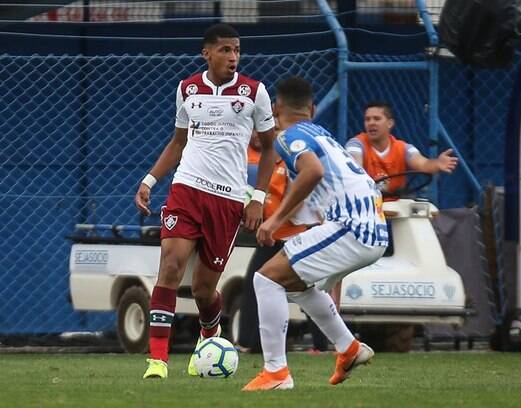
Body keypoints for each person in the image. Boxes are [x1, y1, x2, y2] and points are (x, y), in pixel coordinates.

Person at [134, 23, 276, 379]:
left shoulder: (254, 92)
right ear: (207, 53)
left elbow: (271, 147)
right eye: (226, 50)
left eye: (237, 50)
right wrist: (150, 180)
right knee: (170, 265)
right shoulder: (187, 89)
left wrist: (257, 197)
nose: (233, 57)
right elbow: (178, 142)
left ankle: (210, 335)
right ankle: (158, 361)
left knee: (203, 288)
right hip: (186, 189)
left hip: (227, 200)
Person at [242, 76, 388, 391]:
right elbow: (319, 182)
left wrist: (273, 220)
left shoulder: (288, 136)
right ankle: (349, 348)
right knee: (293, 285)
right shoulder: (322, 134)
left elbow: (313, 172)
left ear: (276, 108)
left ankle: (276, 373)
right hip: (371, 227)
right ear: (313, 107)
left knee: (265, 278)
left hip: (351, 227)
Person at [237, 129, 326, 354]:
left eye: (264, 130)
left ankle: (321, 345)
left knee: (306, 287)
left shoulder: (290, 159)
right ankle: (250, 344)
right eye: (253, 130)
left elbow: (298, 197)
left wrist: (276, 221)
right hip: (272, 236)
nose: (257, 135)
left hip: (292, 234)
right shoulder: (247, 158)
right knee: (254, 283)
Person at [346, 100, 458, 196]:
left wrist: (437, 164)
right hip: (367, 207)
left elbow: (423, 164)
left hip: (397, 206)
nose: (371, 123)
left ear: (390, 123)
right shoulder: (356, 144)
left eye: (376, 119)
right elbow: (354, 168)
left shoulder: (404, 148)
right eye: (367, 119)